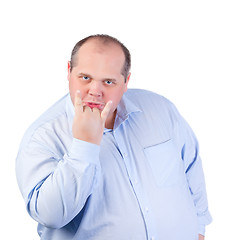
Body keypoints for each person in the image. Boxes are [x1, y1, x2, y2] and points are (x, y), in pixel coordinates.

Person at [16, 34, 212, 240]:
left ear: (125, 81)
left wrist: (198, 228)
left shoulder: (160, 110)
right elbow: (50, 216)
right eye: (85, 78)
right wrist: (84, 145)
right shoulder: (42, 137)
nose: (95, 91)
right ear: (68, 71)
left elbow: (191, 170)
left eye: (108, 81)